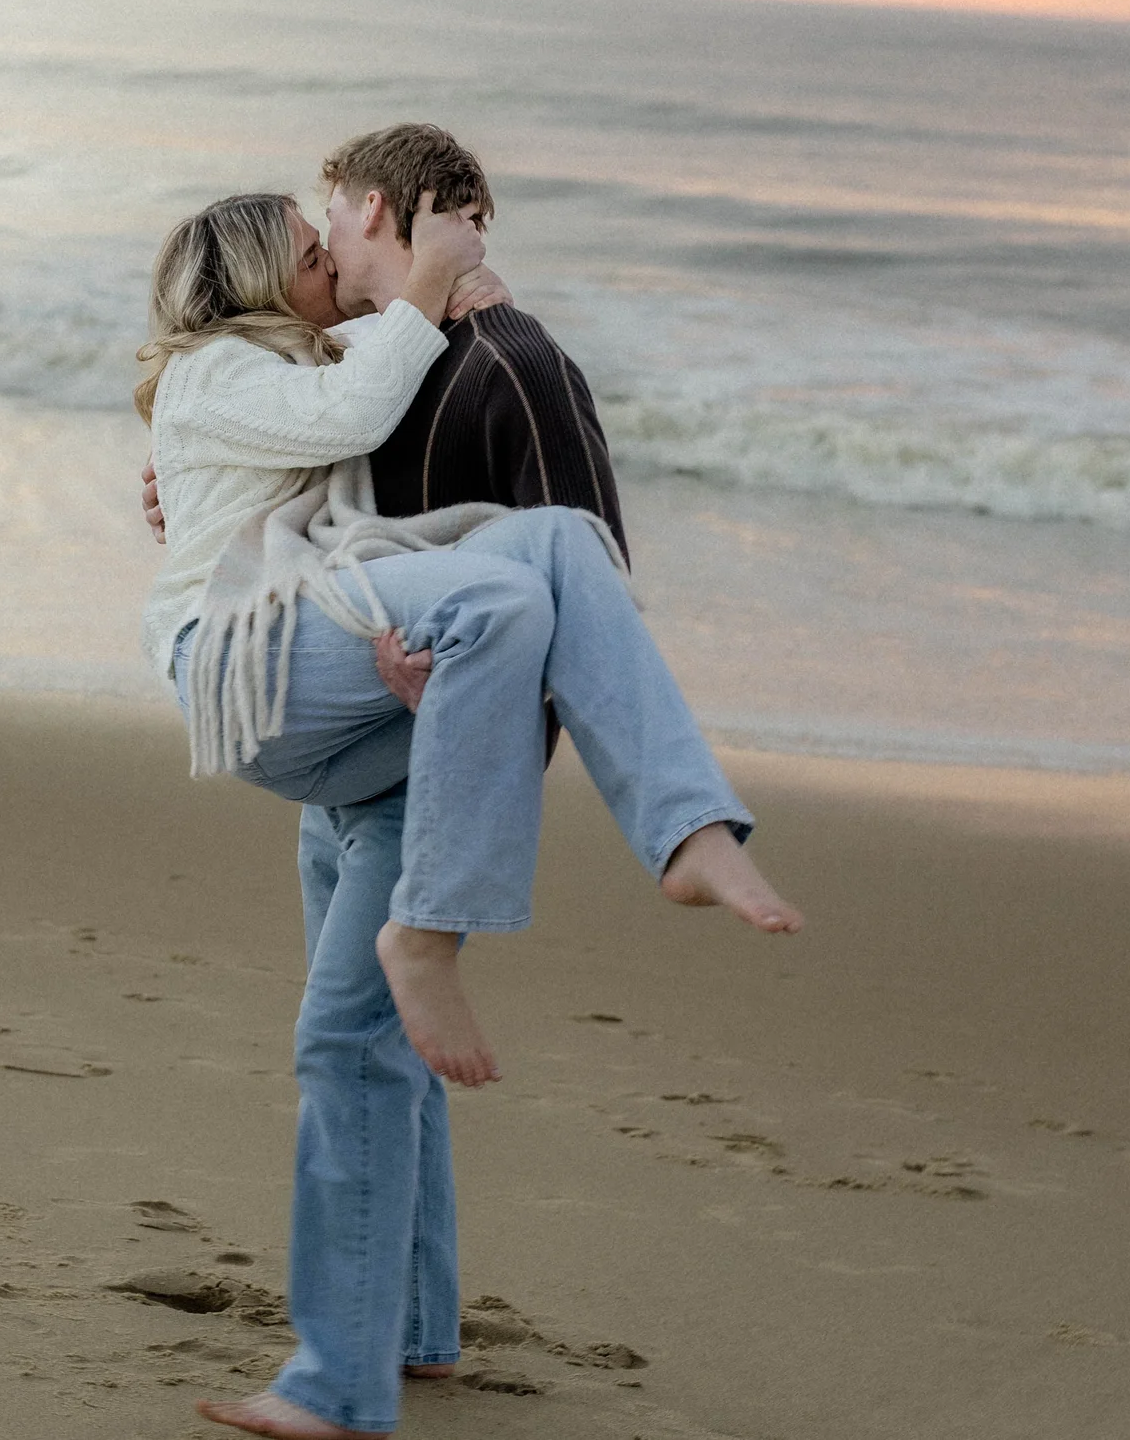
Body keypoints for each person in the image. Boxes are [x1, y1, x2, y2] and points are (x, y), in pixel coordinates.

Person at [136, 135, 801, 1440]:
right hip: (295, 681)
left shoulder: (490, 361)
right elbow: (303, 444)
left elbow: (575, 572)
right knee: (361, 1033)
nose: (326, 248)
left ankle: (678, 828)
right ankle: (355, 1357)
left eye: (333, 227)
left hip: (405, 729)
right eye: (308, 244)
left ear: (377, 212)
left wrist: (445, 294)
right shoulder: (313, 363)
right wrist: (426, 296)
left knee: (539, 560)